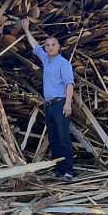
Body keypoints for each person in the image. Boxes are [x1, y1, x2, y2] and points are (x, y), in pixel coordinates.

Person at [22, 18, 75, 182]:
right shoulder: (46, 60)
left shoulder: (63, 63)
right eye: (48, 45)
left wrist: (67, 103)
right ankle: (59, 169)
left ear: (58, 48)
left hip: (60, 104)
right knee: (53, 138)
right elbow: (35, 46)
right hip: (49, 105)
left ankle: (68, 171)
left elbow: (69, 83)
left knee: (63, 137)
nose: (50, 47)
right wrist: (26, 30)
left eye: (53, 45)